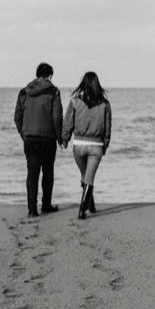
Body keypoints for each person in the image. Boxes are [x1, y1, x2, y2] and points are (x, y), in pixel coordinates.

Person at [14, 62, 63, 217]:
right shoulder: (53, 92)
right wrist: (60, 137)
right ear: (50, 75)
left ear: (36, 74)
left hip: (30, 138)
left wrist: (24, 134)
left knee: (32, 173)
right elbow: (57, 117)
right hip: (48, 138)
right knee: (48, 172)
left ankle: (32, 209)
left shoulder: (24, 92)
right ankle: (46, 205)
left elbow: (17, 117)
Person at [61, 71, 111, 220]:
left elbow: (68, 121)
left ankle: (90, 204)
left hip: (79, 145)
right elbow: (108, 127)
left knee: (85, 176)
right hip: (96, 146)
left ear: (83, 84)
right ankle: (83, 211)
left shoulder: (75, 101)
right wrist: (105, 145)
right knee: (89, 178)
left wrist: (65, 139)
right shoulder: (105, 104)